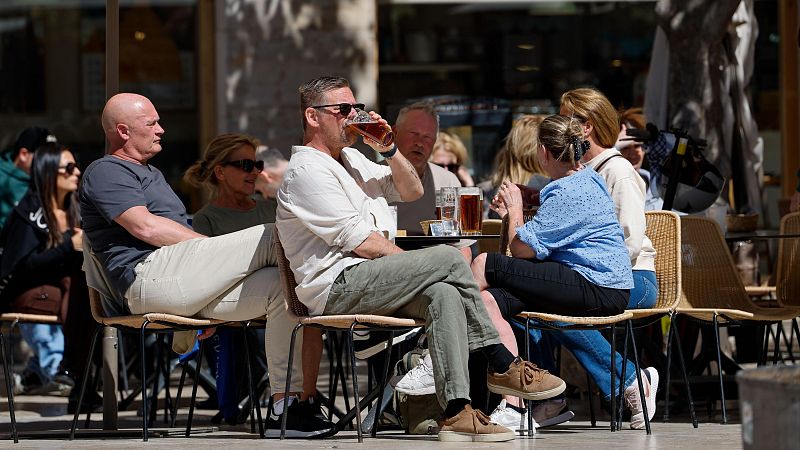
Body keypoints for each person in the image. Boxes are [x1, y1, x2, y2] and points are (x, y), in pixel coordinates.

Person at [276, 76, 565, 443]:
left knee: (444, 294)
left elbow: (411, 190)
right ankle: (501, 361)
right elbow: (363, 244)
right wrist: (423, 267)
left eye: (357, 108)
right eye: (344, 110)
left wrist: (389, 149)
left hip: (368, 279)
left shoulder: (351, 160)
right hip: (336, 287)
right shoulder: (307, 171)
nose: (353, 117)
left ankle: (456, 411)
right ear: (313, 117)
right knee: (447, 259)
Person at [78, 93, 334, 438]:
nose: (161, 130)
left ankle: (285, 408)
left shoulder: (150, 173)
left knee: (279, 286)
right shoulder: (106, 170)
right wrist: (213, 252)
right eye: (152, 123)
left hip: (177, 279)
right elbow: (145, 227)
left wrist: (209, 281)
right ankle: (356, 311)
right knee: (273, 235)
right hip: (147, 278)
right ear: (123, 131)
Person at [471, 114, 641, 430]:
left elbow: (521, 251)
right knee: (488, 300)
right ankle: (515, 404)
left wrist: (516, 209)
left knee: (483, 264)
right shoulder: (582, 179)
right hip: (589, 281)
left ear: (545, 152)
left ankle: (435, 346)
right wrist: (533, 196)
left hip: (597, 285)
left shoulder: (568, 190)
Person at [183, 133, 332, 436]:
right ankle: (288, 404)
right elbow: (206, 275)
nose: (256, 172)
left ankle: (306, 398)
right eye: (245, 165)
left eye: (258, 164)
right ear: (220, 172)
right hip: (237, 302)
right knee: (295, 298)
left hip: (285, 299)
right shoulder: (204, 221)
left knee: (308, 300)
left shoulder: (269, 208)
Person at [550, 87, 658, 429]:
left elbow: (630, 240)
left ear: (585, 127)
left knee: (556, 308)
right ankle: (545, 399)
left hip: (634, 279)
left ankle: (629, 380)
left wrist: (585, 278)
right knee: (524, 306)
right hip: (599, 277)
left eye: (565, 118)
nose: (558, 126)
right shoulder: (580, 171)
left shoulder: (618, 171)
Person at [0, 142, 99, 412]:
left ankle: (78, 377)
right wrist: (68, 246)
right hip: (24, 291)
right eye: (68, 167)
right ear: (47, 172)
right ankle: (75, 374)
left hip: (66, 292)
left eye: (76, 165)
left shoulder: (76, 209)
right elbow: (20, 268)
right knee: (82, 290)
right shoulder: (29, 212)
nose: (76, 172)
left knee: (88, 291)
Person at [0, 127, 56, 229]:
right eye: (44, 155)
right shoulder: (3, 180)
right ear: (23, 154)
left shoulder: (50, 178)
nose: (50, 160)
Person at [616, 107, 662, 211]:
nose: (632, 155)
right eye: (625, 147)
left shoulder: (658, 186)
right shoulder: (608, 183)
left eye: (637, 146)